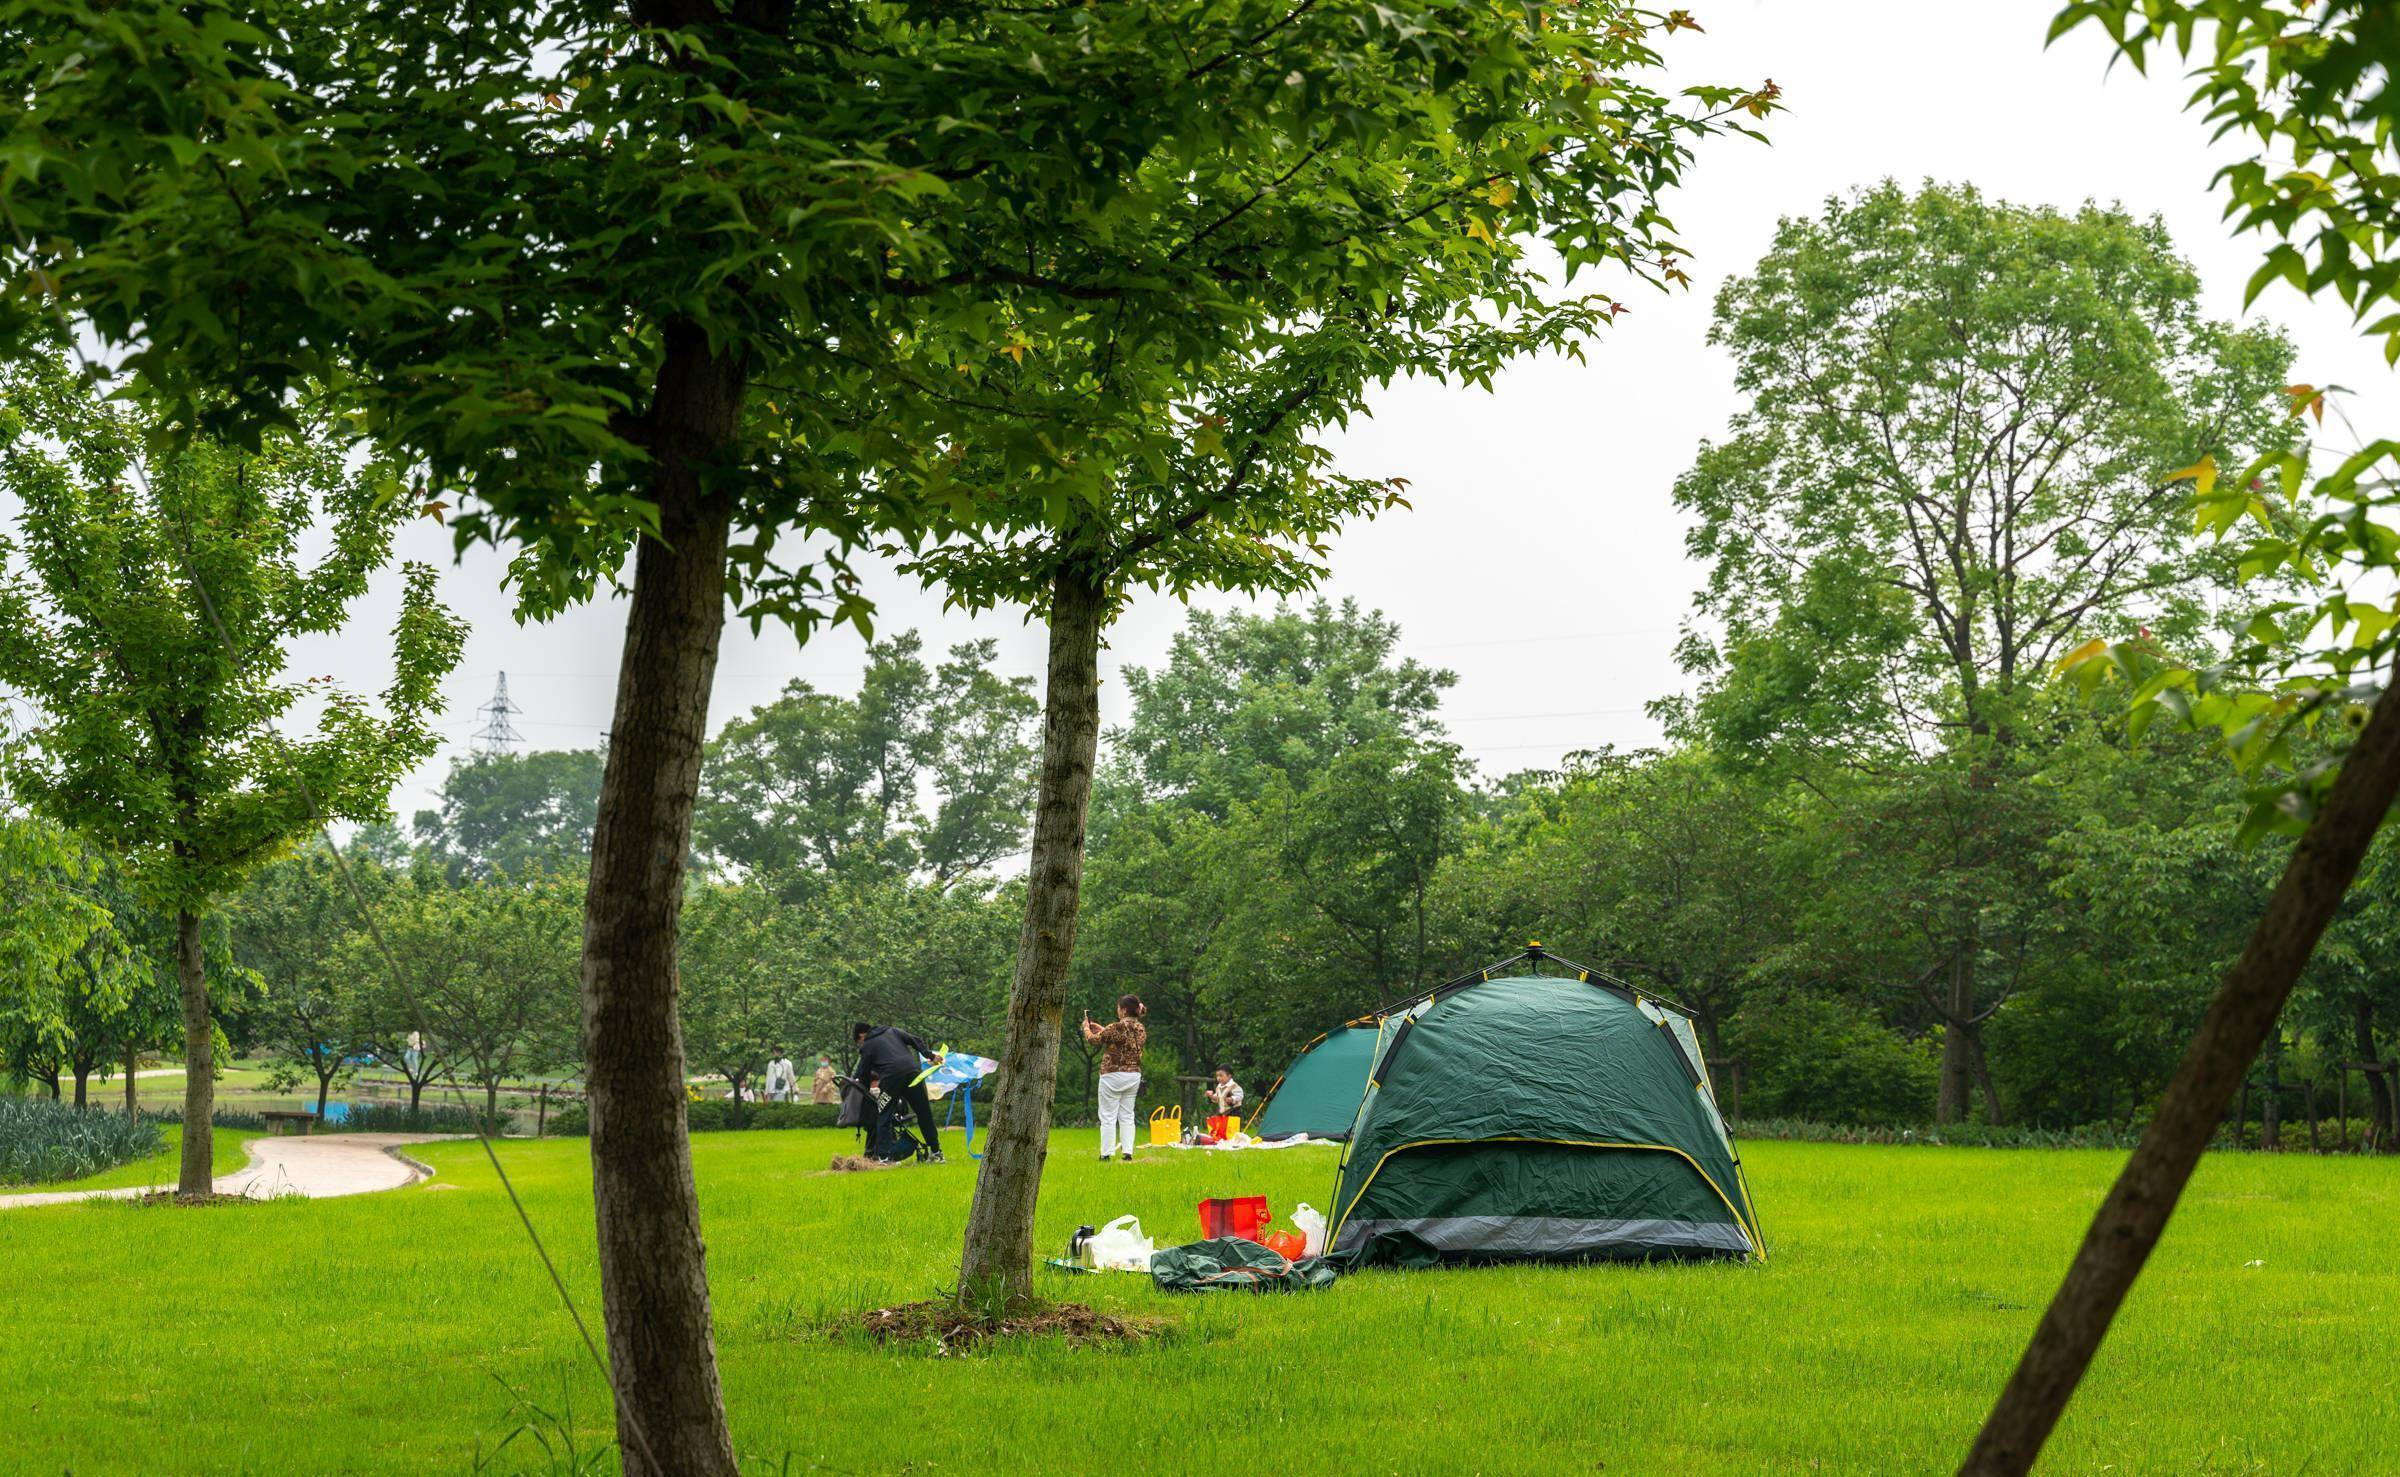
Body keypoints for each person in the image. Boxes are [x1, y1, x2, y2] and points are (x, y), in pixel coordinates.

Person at [851, 1022, 944, 1163]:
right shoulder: (892, 1030)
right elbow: (915, 1039)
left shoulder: (868, 1045)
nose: (860, 1045)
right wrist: (930, 1055)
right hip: (913, 1073)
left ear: (861, 1035)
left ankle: (884, 1158)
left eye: (859, 1043)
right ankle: (936, 1153)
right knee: (924, 1112)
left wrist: (861, 1087)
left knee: (884, 1115)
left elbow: (862, 1073)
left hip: (891, 1078)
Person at [1081, 994, 1146, 1162]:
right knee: (1127, 1115)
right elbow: (1124, 1041)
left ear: (1123, 1010)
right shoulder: (1140, 1028)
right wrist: (1103, 1029)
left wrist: (1087, 1028)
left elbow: (1093, 1040)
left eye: (1118, 1008)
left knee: (1108, 1116)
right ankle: (1128, 1153)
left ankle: (1106, 1153)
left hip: (1112, 1075)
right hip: (1133, 1076)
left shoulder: (1116, 1027)